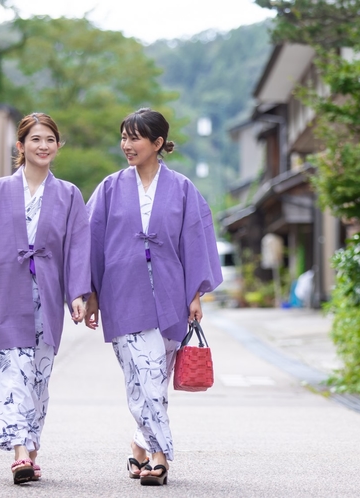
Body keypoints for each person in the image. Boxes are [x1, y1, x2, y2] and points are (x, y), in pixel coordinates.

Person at [85, 108, 222, 486]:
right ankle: (160, 456)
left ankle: (138, 447)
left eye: (135, 138)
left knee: (152, 381)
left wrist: (195, 294)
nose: (126, 145)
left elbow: (195, 241)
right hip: (122, 295)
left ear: (157, 143)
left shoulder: (181, 189)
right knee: (141, 376)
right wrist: (91, 292)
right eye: (124, 137)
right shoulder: (110, 188)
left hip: (170, 296)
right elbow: (90, 242)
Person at [0, 112, 91, 485]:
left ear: (58, 146)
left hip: (47, 295)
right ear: (21, 146)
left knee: (38, 376)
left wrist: (77, 294)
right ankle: (19, 452)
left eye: (50, 140)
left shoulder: (68, 194)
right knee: (10, 372)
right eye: (35, 139)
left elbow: (78, 247)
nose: (43, 146)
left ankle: (31, 445)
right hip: (5, 291)